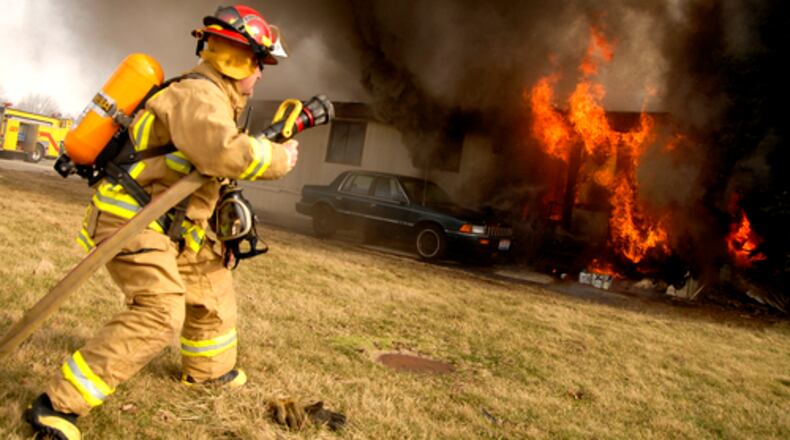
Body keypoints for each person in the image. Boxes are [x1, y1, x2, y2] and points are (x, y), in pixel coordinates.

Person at [24, 5, 298, 439]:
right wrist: (279, 157)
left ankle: (209, 371)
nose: (262, 76)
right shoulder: (199, 96)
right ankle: (56, 405)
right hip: (130, 220)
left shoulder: (218, 100)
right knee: (160, 312)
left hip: (171, 223)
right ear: (238, 59)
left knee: (212, 286)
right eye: (260, 63)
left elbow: (207, 171)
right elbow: (225, 154)